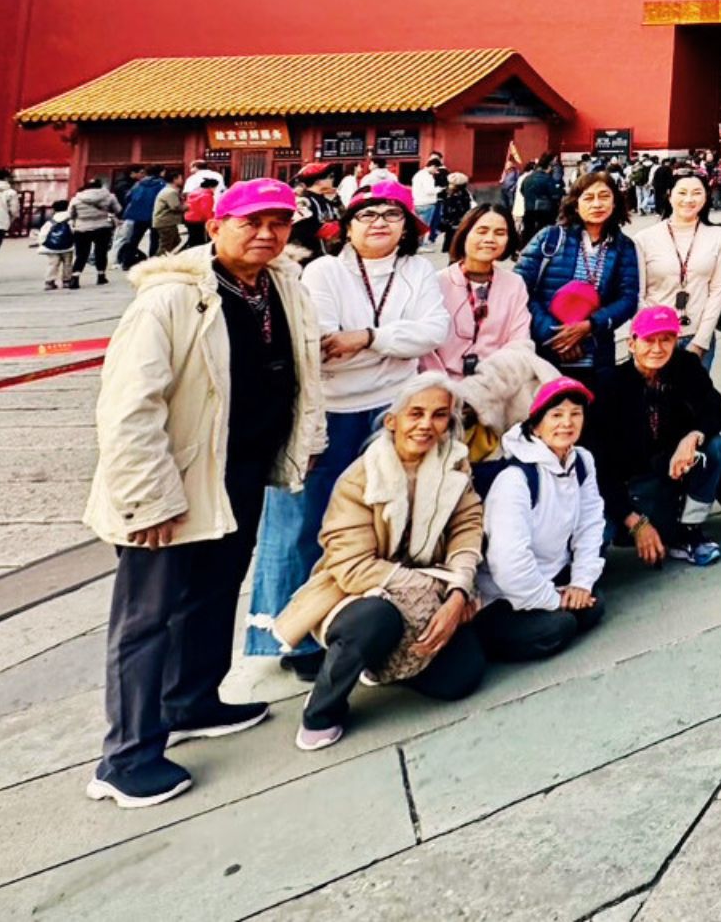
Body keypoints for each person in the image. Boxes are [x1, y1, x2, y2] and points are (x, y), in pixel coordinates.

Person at [85, 178, 325, 807]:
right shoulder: (170, 298)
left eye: (279, 223)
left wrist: (305, 438)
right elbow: (129, 407)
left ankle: (191, 700)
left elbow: (303, 371)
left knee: (216, 590)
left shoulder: (282, 285)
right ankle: (125, 757)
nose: (267, 234)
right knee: (148, 618)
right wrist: (149, 497)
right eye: (251, 222)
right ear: (215, 226)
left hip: (240, 469)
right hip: (176, 479)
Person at [245, 175, 449, 670]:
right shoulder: (324, 272)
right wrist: (391, 342)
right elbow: (324, 343)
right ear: (347, 226)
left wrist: (367, 338)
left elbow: (433, 331)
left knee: (380, 524)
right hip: (327, 412)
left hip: (392, 411)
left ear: (408, 226)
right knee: (304, 524)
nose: (380, 223)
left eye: (392, 215)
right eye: (367, 215)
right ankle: (292, 635)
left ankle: (364, 628)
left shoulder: (417, 271)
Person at [279, 374, 487, 751]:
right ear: (393, 420)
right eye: (416, 413)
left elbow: (467, 527)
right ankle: (322, 710)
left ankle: (385, 663)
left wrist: (459, 591)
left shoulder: (454, 465)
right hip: (360, 592)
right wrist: (434, 588)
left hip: (433, 584)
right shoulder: (359, 478)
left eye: (439, 415)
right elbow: (351, 565)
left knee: (460, 679)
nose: (426, 424)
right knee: (375, 620)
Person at [474, 376, 606, 660]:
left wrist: (580, 583)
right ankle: (487, 637)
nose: (567, 423)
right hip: (503, 595)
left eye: (575, 414)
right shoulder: (516, 479)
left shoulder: (582, 460)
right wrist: (555, 600)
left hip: (552, 575)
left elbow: (590, 523)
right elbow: (508, 564)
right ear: (536, 425)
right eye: (556, 415)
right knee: (559, 626)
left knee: (592, 606)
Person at [595, 305, 721, 569]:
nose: (657, 349)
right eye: (649, 340)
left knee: (715, 446)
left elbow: (715, 407)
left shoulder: (685, 366)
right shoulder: (611, 385)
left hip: (673, 471)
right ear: (632, 343)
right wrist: (635, 522)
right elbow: (601, 467)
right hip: (633, 485)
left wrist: (693, 436)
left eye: (666, 339)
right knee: (602, 528)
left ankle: (690, 528)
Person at [517, 170, 641, 387]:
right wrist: (556, 335)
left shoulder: (624, 247)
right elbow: (519, 290)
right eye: (588, 198)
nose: (597, 204)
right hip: (546, 355)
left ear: (615, 203)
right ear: (575, 204)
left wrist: (590, 325)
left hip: (596, 356)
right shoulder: (550, 238)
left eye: (604, 196)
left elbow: (628, 299)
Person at [634, 170, 721, 364]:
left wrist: (701, 341)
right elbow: (639, 294)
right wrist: (652, 333)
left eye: (697, 193)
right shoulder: (644, 238)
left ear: (706, 196)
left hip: (696, 335)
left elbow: (718, 290)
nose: (689, 199)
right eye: (682, 192)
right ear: (669, 195)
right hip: (654, 336)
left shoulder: (719, 236)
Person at [427, 205, 532, 377]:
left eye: (500, 233)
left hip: (497, 381)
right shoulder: (436, 282)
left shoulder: (514, 284)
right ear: (465, 234)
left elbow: (520, 341)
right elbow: (426, 351)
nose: (490, 239)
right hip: (441, 384)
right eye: (482, 231)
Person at [70, 176, 124, 285]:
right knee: (101, 253)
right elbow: (118, 210)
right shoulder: (109, 196)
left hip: (82, 228)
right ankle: (101, 276)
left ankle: (75, 277)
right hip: (102, 228)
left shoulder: (76, 199)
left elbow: (71, 214)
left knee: (81, 254)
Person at [116, 168, 166, 270]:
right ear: (161, 172)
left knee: (134, 238)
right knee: (155, 239)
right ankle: (153, 261)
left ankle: (127, 261)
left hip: (138, 215)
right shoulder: (161, 184)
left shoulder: (139, 183)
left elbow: (128, 197)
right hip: (155, 214)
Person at [514, 153, 565, 254]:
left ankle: (524, 251)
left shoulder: (528, 178)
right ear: (549, 167)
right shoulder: (547, 179)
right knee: (543, 234)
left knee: (528, 232)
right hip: (545, 212)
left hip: (529, 209)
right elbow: (555, 195)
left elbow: (522, 191)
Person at [39, 198, 76, 290]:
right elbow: (74, 231)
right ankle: (66, 281)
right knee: (68, 264)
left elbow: (43, 233)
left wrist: (43, 243)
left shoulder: (51, 221)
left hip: (52, 247)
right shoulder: (70, 219)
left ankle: (49, 282)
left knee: (52, 264)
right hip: (67, 246)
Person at [433, 171, 474, 247]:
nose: (450, 185)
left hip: (456, 219)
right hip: (448, 219)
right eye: (450, 183)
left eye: (452, 184)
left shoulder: (463, 195)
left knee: (455, 238)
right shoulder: (445, 192)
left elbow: (464, 208)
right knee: (450, 237)